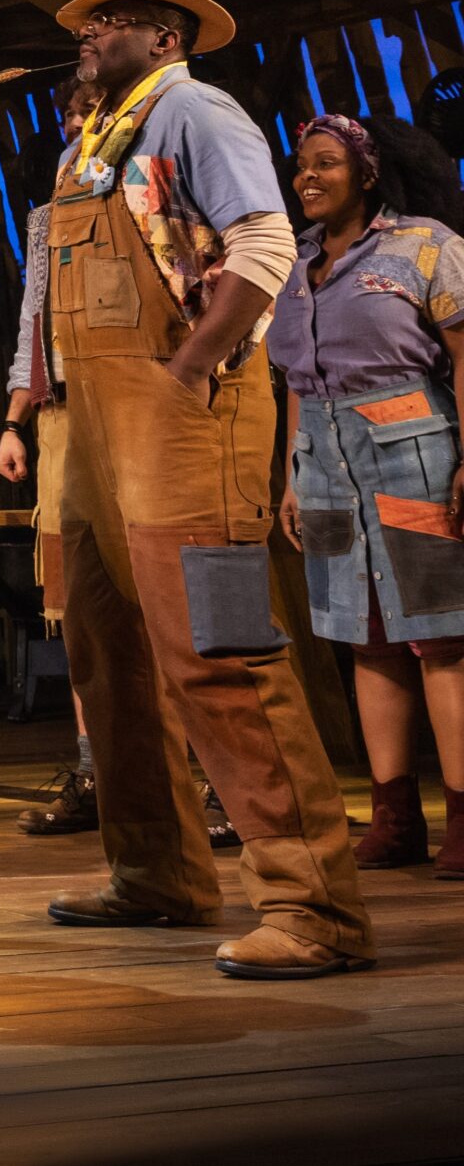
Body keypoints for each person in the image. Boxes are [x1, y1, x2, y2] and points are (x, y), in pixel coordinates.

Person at [40, 0, 373, 979]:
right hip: (92, 423)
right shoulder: (95, 137)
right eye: (88, 20)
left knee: (218, 656)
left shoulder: (197, 112)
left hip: (183, 411)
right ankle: (157, 873)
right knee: (103, 646)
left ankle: (313, 907)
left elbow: (264, 244)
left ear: (166, 35)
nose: (89, 34)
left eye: (115, 19)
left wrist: (192, 365)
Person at [271, 114, 464, 879]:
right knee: (366, 637)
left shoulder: (425, 245)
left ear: (368, 174)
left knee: (442, 637)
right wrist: (291, 468)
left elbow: (461, 352)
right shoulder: (298, 263)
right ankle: (393, 816)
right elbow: (294, 377)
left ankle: (462, 813)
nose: (307, 178)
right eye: (301, 166)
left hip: (411, 453)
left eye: (326, 164)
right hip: (323, 465)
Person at [0, 78, 104, 838]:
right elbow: (35, 315)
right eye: (69, 115)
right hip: (61, 412)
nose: (76, 126)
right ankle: (98, 769)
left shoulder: (146, 198)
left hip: (132, 404)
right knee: (76, 603)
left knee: (165, 598)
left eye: (90, 112)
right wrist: (13, 418)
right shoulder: (45, 220)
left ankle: (209, 782)